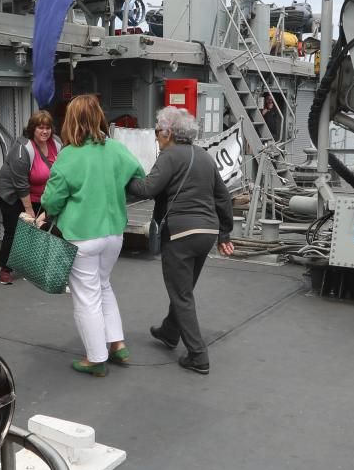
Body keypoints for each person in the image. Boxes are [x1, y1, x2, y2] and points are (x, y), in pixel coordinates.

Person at [38, 95, 145, 377]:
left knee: (87, 297)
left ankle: (95, 358)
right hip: (114, 232)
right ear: (99, 116)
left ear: (71, 121)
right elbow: (140, 175)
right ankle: (117, 344)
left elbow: (51, 200)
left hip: (82, 235)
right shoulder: (115, 150)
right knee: (103, 285)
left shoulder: (69, 155)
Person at [126, 106, 235, 375]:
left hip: (181, 234)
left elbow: (148, 188)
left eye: (157, 132)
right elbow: (222, 197)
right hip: (206, 233)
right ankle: (169, 331)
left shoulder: (169, 156)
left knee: (182, 293)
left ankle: (198, 356)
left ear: (168, 133)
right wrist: (224, 233)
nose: (156, 137)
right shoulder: (204, 157)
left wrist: (125, 176)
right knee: (183, 289)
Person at [0, 110, 60, 285]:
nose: (44, 131)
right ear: (32, 129)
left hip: (42, 193)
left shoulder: (57, 144)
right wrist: (29, 211)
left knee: (41, 229)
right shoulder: (23, 149)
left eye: (48, 128)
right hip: (14, 193)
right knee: (15, 230)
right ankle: (5, 269)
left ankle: (31, 266)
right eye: (40, 127)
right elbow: (20, 183)